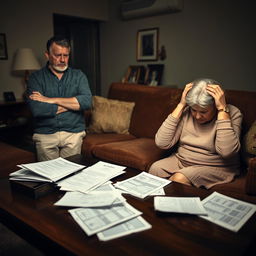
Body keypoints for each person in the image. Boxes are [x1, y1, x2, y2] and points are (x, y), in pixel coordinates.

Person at [148, 78, 243, 189]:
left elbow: (227, 151)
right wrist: (181, 104)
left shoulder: (233, 113)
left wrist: (222, 110)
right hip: (183, 161)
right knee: (155, 169)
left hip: (215, 167)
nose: (197, 116)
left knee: (179, 178)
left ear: (215, 106)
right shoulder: (187, 111)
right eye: (194, 110)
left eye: (203, 111)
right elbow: (162, 142)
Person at [26, 35, 92, 161]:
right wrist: (73, 104)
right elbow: (37, 109)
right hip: (45, 134)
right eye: (57, 55)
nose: (62, 60)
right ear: (47, 55)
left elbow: (86, 102)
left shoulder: (78, 76)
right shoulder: (35, 78)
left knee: (71, 175)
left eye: (66, 55)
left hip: (73, 133)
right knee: (48, 177)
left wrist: (50, 99)